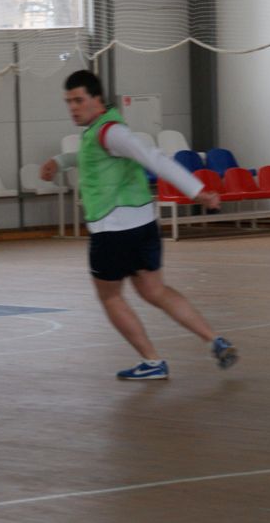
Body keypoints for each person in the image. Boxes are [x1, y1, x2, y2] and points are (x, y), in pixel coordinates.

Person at [40, 70, 238, 380]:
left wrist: (196, 191)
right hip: (143, 225)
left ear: (97, 99)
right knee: (155, 291)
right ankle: (215, 340)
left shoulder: (111, 132)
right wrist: (60, 161)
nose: (73, 108)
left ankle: (152, 361)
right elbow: (90, 157)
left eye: (78, 100)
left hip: (113, 230)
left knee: (110, 296)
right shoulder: (102, 130)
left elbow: (153, 158)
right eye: (69, 102)